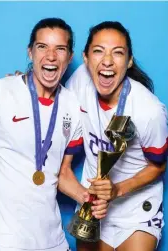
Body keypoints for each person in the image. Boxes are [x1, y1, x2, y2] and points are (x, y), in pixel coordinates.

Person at [0, 18, 112, 251]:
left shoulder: (73, 106)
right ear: (30, 52)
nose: (51, 56)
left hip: (52, 239)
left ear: (69, 57)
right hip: (5, 238)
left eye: (59, 49)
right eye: (42, 47)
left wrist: (87, 198)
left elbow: (62, 173)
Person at [65, 21, 167, 251]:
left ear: (129, 61)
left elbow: (158, 165)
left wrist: (118, 190)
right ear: (86, 57)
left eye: (118, 53)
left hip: (137, 208)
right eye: (98, 51)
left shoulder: (149, 111)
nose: (107, 60)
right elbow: (54, 104)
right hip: (92, 204)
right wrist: (23, 85)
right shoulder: (80, 80)